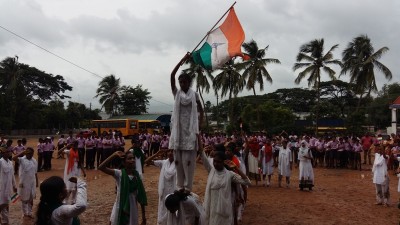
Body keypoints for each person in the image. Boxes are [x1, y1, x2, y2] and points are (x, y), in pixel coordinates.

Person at [169, 53, 204, 193]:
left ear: (189, 82)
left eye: (184, 82)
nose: (182, 84)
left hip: (190, 132)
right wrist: (182, 60)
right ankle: (179, 186)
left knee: (188, 162)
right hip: (178, 133)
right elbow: (171, 75)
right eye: (180, 82)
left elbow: (201, 110)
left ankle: (188, 188)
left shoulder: (194, 95)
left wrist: (199, 126)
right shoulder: (176, 94)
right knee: (178, 161)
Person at [199, 137, 251, 225]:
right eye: (214, 161)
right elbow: (202, 156)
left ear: (224, 162)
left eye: (218, 162)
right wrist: (199, 141)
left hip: (224, 210)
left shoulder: (230, 174)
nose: (215, 164)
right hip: (211, 207)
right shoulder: (211, 170)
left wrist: (236, 168)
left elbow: (247, 182)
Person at [99, 150, 147, 225]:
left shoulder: (137, 176)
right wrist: (114, 155)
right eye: (129, 158)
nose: (133, 160)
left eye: (133, 158)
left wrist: (144, 216)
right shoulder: (119, 174)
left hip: (133, 208)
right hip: (120, 206)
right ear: (123, 163)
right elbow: (101, 167)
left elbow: (141, 196)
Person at [145, 150, 176, 225]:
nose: (170, 153)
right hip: (164, 190)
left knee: (173, 210)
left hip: (173, 191)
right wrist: (156, 153)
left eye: (173, 151)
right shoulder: (164, 162)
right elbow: (147, 161)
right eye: (169, 151)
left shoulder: (179, 163)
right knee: (163, 208)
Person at [12, 147, 38, 218]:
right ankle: (25, 213)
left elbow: (35, 172)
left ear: (33, 153)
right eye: (28, 153)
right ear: (26, 153)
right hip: (23, 182)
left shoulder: (34, 161)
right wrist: (22, 152)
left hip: (32, 182)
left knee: (31, 198)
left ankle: (29, 213)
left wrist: (37, 181)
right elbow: (13, 158)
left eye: (31, 153)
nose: (29, 154)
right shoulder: (22, 159)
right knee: (23, 198)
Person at [0, 147, 17, 225]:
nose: (7, 153)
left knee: (7, 203)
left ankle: (5, 221)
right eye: (5, 152)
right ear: (2, 153)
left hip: (9, 187)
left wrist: (14, 185)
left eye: (8, 151)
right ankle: (4, 220)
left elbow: (12, 175)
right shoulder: (0, 162)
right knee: (2, 203)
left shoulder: (10, 162)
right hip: (1, 187)